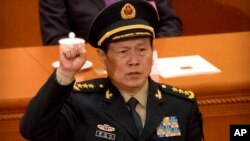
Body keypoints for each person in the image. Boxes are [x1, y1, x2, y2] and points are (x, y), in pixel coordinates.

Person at [20, 1, 203, 140]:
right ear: (103, 58)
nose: (134, 61)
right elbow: (32, 130)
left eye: (142, 50)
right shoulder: (81, 104)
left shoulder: (182, 106)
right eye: (123, 51)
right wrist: (65, 74)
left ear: (152, 52)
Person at [39, 0, 182, 45]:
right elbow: (55, 39)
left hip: (149, 67)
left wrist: (148, 49)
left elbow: (170, 22)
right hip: (94, 73)